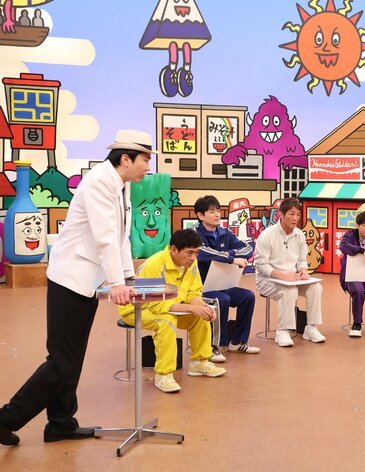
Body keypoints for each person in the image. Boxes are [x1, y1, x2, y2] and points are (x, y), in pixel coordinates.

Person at [0, 130, 153, 446]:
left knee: (72, 359)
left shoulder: (121, 184)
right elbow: (105, 236)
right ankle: (5, 419)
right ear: (126, 159)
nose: (148, 167)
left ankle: (61, 423)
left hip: (86, 282)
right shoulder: (99, 182)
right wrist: (116, 283)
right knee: (60, 362)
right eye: (145, 159)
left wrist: (127, 277)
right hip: (69, 279)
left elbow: (121, 236)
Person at [120, 229, 226, 393]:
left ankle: (199, 362)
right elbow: (156, 305)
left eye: (196, 253)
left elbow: (194, 292)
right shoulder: (154, 264)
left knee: (201, 316)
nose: (193, 258)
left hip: (170, 306)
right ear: (174, 249)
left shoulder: (191, 264)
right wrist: (192, 308)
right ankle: (163, 375)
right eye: (189, 252)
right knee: (166, 321)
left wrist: (201, 307)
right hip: (138, 309)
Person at [194, 195, 259, 360]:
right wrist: (232, 258)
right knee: (222, 299)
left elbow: (248, 249)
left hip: (223, 284)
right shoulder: (194, 234)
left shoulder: (225, 233)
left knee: (248, 296)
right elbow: (203, 253)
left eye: (218, 210)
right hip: (201, 289)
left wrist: (228, 254)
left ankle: (238, 342)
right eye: (211, 211)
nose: (217, 214)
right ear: (200, 215)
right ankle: (214, 346)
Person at [254, 198, 326, 347]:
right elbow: (260, 265)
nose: (295, 218)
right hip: (267, 280)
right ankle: (283, 331)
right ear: (281, 214)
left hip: (293, 278)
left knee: (315, 288)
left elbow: (302, 259)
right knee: (289, 290)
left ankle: (310, 328)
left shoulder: (299, 234)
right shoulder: (267, 235)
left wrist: (303, 270)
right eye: (291, 214)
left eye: (298, 215)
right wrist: (283, 275)